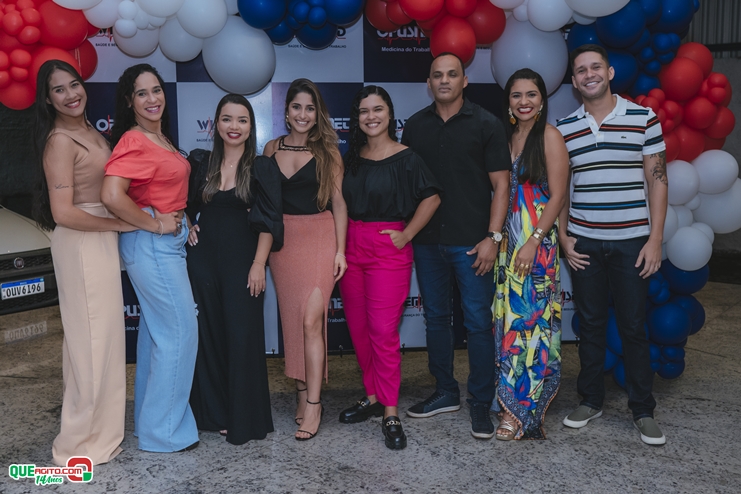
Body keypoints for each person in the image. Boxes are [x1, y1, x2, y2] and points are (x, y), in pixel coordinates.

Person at [557, 44, 668, 445]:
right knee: (589, 325)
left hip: (632, 243)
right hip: (584, 243)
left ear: (609, 72)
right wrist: (564, 236)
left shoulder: (643, 117)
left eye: (595, 67)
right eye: (581, 70)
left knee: (633, 327)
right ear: (574, 81)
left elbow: (658, 179)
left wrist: (655, 239)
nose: (589, 74)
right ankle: (590, 400)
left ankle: (643, 410)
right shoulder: (564, 128)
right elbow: (560, 189)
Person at [401, 53, 511, 439]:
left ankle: (480, 400)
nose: (444, 80)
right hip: (428, 242)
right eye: (437, 75)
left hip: (473, 244)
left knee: (479, 323)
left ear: (465, 80)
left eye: (452, 74)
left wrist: (493, 238)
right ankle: (445, 391)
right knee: (436, 319)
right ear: (429, 83)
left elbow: (502, 186)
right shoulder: (414, 127)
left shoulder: (487, 124)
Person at [32, 60, 133, 466]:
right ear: (47, 99)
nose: (71, 94)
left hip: (99, 239)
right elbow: (63, 212)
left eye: (74, 84)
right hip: (81, 243)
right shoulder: (59, 140)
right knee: (89, 343)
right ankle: (78, 444)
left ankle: (102, 434)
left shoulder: (89, 129)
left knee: (102, 341)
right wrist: (118, 224)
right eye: (59, 89)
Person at [101, 63, 199, 453]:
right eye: (141, 93)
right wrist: (156, 224)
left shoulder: (159, 138)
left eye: (156, 90)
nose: (152, 98)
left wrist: (181, 218)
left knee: (158, 336)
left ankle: (151, 425)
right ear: (130, 101)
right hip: (152, 246)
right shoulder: (134, 139)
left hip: (161, 245)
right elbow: (112, 195)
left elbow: (160, 189)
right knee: (180, 334)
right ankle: (164, 433)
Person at [338, 85, 441, 450]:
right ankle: (372, 396)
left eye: (378, 109)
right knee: (359, 330)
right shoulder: (351, 158)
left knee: (383, 332)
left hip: (387, 249)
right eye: (364, 111)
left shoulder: (406, 157)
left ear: (389, 114)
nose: (371, 117)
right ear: (357, 118)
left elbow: (432, 197)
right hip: (351, 247)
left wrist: (407, 233)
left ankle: (390, 410)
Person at [185, 94, 282, 445]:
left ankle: (243, 417)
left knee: (242, 337)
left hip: (243, 262)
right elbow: (184, 204)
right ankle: (215, 414)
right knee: (208, 336)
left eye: (242, 120)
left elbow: (270, 221)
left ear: (251, 127)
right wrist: (189, 226)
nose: (234, 126)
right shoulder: (202, 163)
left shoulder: (261, 167)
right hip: (202, 261)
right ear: (216, 124)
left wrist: (259, 264)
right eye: (227, 119)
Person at [260, 78, 348, 441]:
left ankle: (314, 404)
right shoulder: (271, 148)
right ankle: (300, 392)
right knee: (294, 320)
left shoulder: (329, 151)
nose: (303, 114)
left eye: (310, 108)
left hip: (320, 236)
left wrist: (340, 250)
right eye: (297, 107)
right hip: (284, 243)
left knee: (312, 320)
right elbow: (264, 203)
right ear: (286, 112)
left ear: (318, 114)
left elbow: (339, 203)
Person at [493, 69, 569, 440]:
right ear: (508, 102)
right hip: (509, 247)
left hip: (535, 248)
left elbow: (558, 195)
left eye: (531, 95)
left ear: (542, 100)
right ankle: (508, 400)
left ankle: (522, 411)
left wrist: (534, 240)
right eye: (516, 95)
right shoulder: (508, 138)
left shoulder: (550, 136)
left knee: (530, 328)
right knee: (509, 326)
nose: (524, 102)